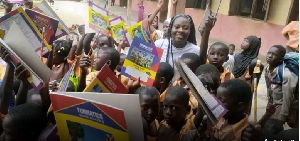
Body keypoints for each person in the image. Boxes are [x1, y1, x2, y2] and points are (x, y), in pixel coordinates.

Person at [155, 14, 199, 81]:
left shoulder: (195, 51)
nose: (181, 30)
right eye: (177, 27)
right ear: (171, 29)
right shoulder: (158, 45)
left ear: (190, 31)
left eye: (185, 28)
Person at [265, 45, 298, 128]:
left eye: (274, 55)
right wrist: (270, 102)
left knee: (295, 129)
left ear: (281, 59)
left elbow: (288, 97)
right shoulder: (267, 68)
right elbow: (269, 87)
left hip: (289, 105)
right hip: (275, 103)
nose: (270, 56)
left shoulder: (287, 75)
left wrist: (282, 116)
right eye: (269, 53)